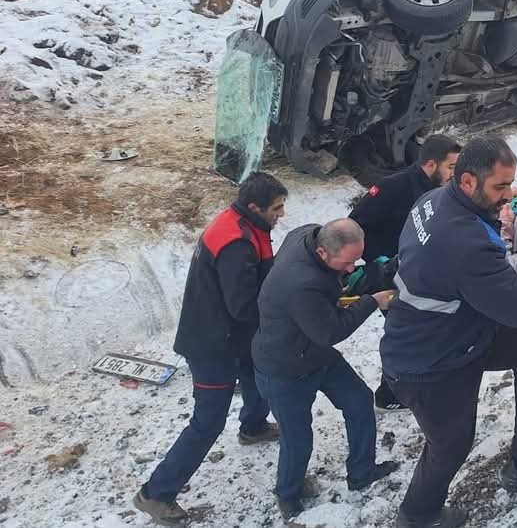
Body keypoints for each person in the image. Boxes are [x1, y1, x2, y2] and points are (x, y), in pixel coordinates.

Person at [381, 136, 517, 528]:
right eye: (500, 187)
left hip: (461, 330)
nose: (508, 195)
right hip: (430, 360)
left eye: (510, 183)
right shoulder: (463, 240)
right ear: (467, 181)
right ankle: (417, 515)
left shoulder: (433, 201)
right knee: (451, 444)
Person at [134, 172, 288, 526]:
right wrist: (283, 310)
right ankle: (156, 494)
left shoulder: (243, 223)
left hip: (232, 335)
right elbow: (243, 306)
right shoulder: (237, 243)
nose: (281, 214)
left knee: (257, 371)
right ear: (255, 207)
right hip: (212, 344)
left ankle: (253, 426)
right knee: (208, 422)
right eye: (277, 208)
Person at [252, 219, 400, 519]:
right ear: (322, 252)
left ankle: (362, 471)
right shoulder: (302, 284)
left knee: (359, 401)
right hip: (284, 367)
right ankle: (287, 493)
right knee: (298, 439)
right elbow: (329, 332)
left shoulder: (307, 232)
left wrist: (338, 293)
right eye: (346, 263)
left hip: (316, 354)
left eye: (355, 260)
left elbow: (321, 323)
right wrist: (371, 301)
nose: (350, 269)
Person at [347, 134, 461, 411]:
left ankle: (409, 385)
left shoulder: (445, 189)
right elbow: (355, 225)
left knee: (424, 332)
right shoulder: (393, 187)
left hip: (422, 274)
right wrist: (379, 260)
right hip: (392, 278)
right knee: (405, 334)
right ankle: (390, 393)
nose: (455, 174)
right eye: (452, 167)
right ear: (431, 164)